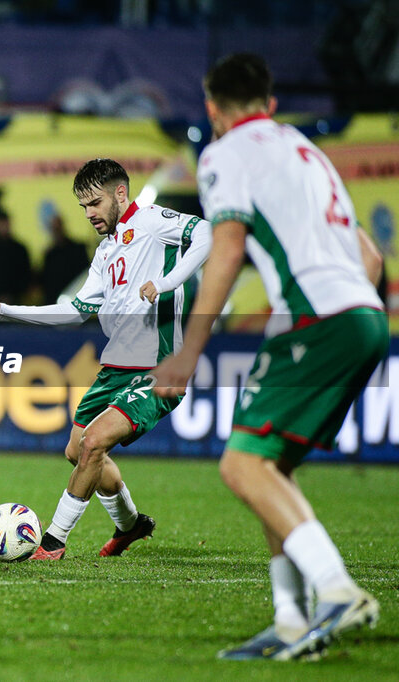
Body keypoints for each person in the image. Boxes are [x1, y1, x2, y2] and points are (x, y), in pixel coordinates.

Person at [151, 54, 386, 661]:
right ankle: (290, 620)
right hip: (365, 316)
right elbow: (372, 259)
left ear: (212, 108)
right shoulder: (308, 152)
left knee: (241, 466)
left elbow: (227, 249)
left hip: (319, 319)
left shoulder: (224, 154)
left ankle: (336, 591)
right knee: (269, 464)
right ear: (271, 103)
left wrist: (188, 351)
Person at [0, 158, 211, 561]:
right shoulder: (105, 251)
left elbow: (208, 233)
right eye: (83, 206)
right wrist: (10, 311)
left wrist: (167, 282)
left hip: (157, 369)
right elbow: (76, 310)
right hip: (114, 369)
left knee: (93, 443)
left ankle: (52, 542)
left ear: (120, 193)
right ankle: (130, 524)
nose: (88, 214)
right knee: (78, 451)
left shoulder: (152, 222)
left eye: (95, 203)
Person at [41, 210, 90, 303]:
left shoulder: (78, 250)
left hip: (75, 298)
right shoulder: (50, 255)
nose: (56, 231)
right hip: (56, 301)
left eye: (57, 228)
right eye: (54, 228)